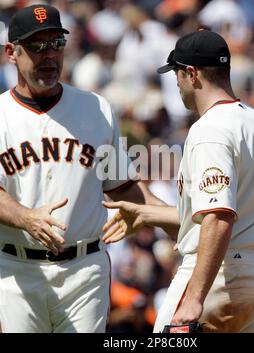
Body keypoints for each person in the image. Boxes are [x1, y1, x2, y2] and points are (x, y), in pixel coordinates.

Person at [102, 30, 254, 333]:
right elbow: (233, 212)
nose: (176, 84)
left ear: (191, 74)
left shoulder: (211, 129)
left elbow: (218, 217)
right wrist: (149, 214)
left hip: (224, 272)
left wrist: (194, 297)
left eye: (177, 74)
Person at [0, 4, 164, 333]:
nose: (49, 55)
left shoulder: (96, 107)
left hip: (83, 270)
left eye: (56, 44)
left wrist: (176, 222)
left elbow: (122, 186)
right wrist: (26, 218)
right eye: (36, 46)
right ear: (11, 53)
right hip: (16, 270)